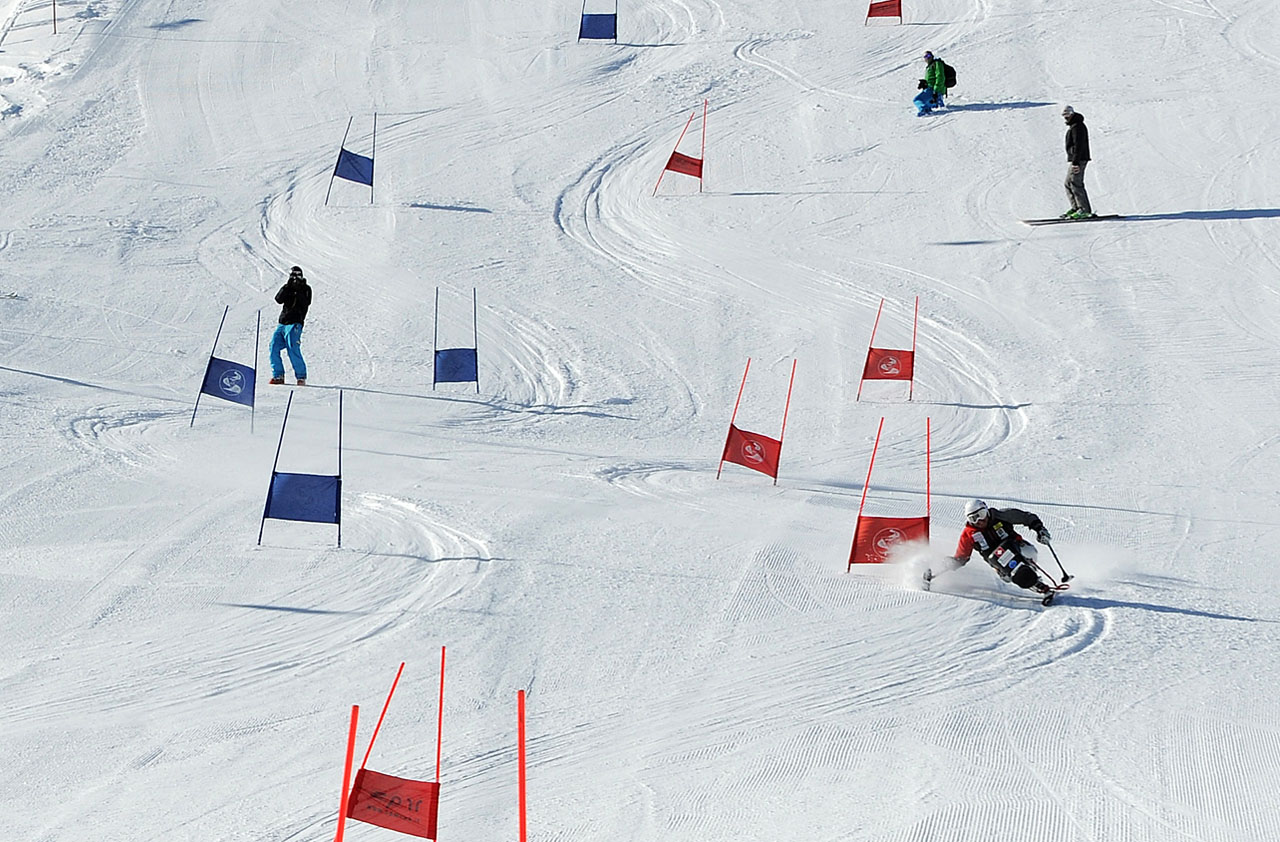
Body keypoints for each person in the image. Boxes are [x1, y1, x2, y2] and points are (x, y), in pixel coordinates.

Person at [931, 499, 1054, 593]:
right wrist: (952, 562)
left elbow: (1026, 517)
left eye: (981, 514)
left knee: (1030, 552)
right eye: (974, 518)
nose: (979, 521)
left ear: (987, 511)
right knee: (1012, 574)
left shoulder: (1000, 516)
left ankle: (1032, 575)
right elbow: (962, 556)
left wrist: (1039, 529)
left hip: (1018, 548)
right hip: (1000, 563)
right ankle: (1035, 584)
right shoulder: (969, 534)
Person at [269, 265, 311, 385]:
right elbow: (278, 299)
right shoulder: (288, 287)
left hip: (295, 323)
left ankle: (301, 376)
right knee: (273, 347)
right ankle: (278, 375)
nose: (295, 278)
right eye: (293, 275)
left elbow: (306, 303)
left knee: (292, 347)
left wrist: (298, 289)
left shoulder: (306, 289)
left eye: (297, 275)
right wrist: (288, 287)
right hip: (283, 323)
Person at [1061, 106, 1094, 219]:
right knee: (1068, 183)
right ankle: (1076, 208)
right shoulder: (1074, 126)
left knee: (1075, 183)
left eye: (1067, 115)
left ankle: (1084, 210)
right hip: (1076, 159)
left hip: (1079, 159)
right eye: (1064, 115)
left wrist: (1075, 162)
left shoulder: (1078, 126)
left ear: (1072, 114)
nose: (1065, 118)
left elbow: (1078, 145)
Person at [914, 51, 947, 116]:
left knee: (917, 100)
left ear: (932, 56)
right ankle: (928, 109)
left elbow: (940, 76)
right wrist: (925, 83)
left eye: (929, 56)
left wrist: (936, 90)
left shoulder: (937, 63)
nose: (927, 58)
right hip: (931, 88)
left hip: (934, 88)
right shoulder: (929, 66)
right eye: (925, 57)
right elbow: (932, 78)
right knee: (929, 103)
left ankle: (924, 110)